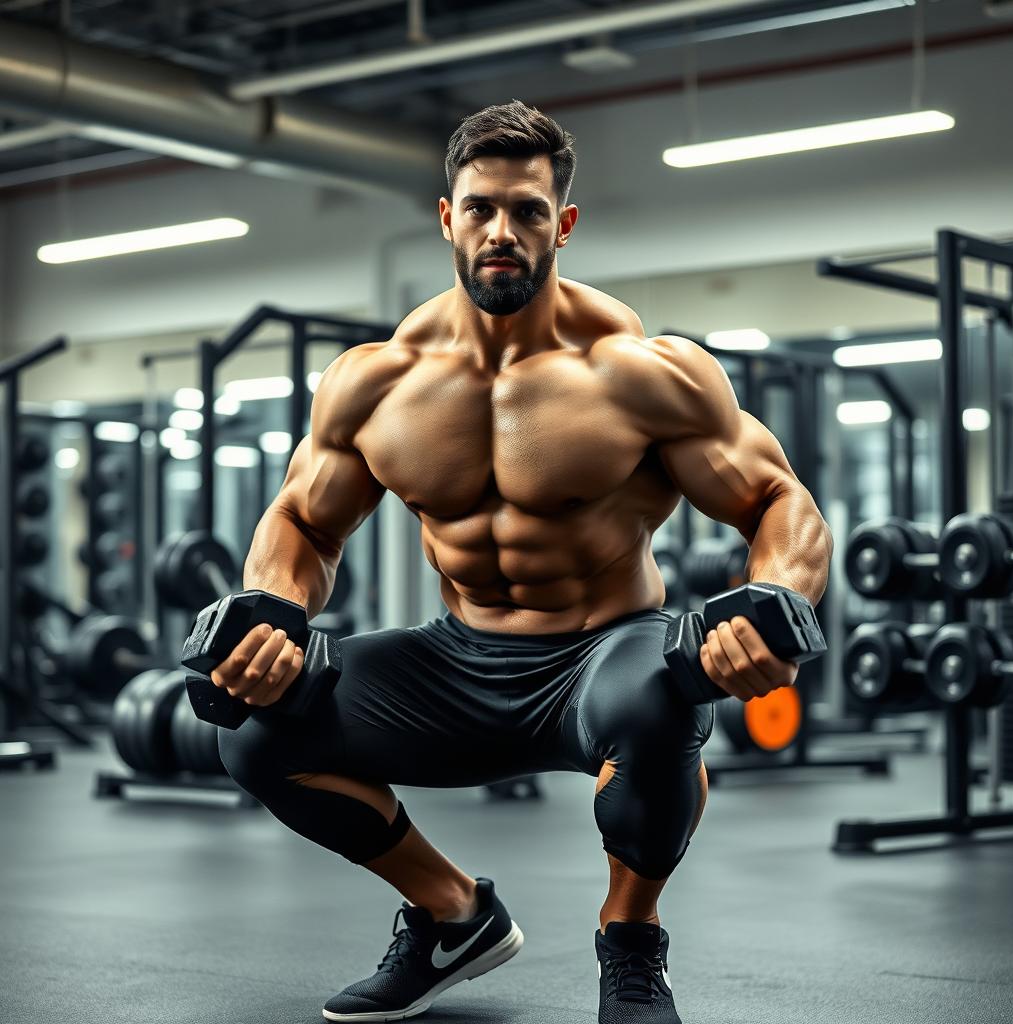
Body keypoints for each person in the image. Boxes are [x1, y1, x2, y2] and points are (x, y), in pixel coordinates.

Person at [214, 100, 832, 1024]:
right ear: (448, 217)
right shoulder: (376, 382)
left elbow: (780, 502)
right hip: (460, 659)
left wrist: (773, 602)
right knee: (260, 731)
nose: (503, 231)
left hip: (604, 655)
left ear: (563, 224)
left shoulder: (642, 372)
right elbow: (303, 521)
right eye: (481, 209)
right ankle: (454, 916)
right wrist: (272, 613)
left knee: (664, 695)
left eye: (529, 211)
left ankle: (630, 943)